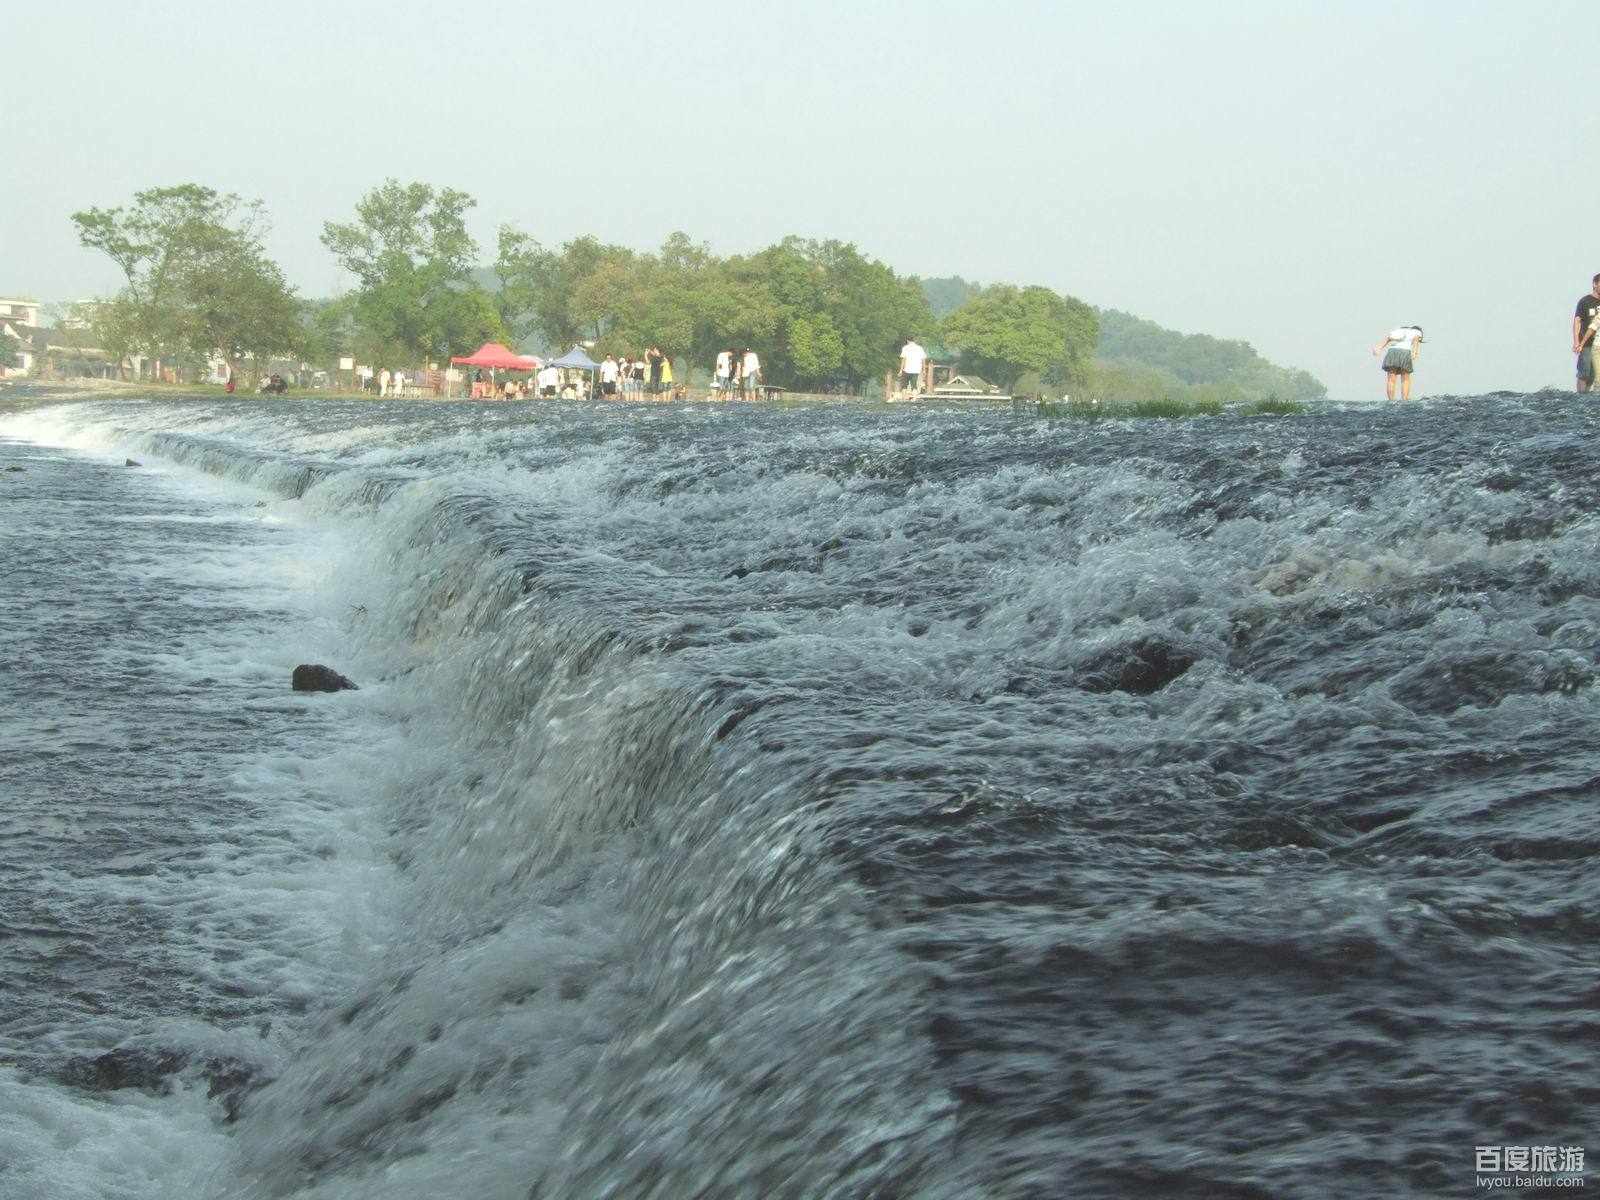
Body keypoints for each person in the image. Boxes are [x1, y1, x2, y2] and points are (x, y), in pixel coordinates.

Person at [1372, 325, 1423, 400]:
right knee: (1405, 380)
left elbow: (1389, 338)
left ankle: (1391, 401)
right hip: (1405, 352)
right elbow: (1416, 339)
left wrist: (1379, 348)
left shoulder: (1400, 330)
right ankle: (1404, 400)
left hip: (1392, 351)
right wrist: (1415, 352)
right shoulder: (1417, 331)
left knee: (1391, 379)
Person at [1574, 274, 1600, 393]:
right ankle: (1580, 399)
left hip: (1598, 344)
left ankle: (1588, 401)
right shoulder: (1585, 301)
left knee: (1593, 375)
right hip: (1586, 343)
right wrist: (1576, 342)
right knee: (1584, 372)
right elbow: (1577, 321)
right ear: (1595, 284)